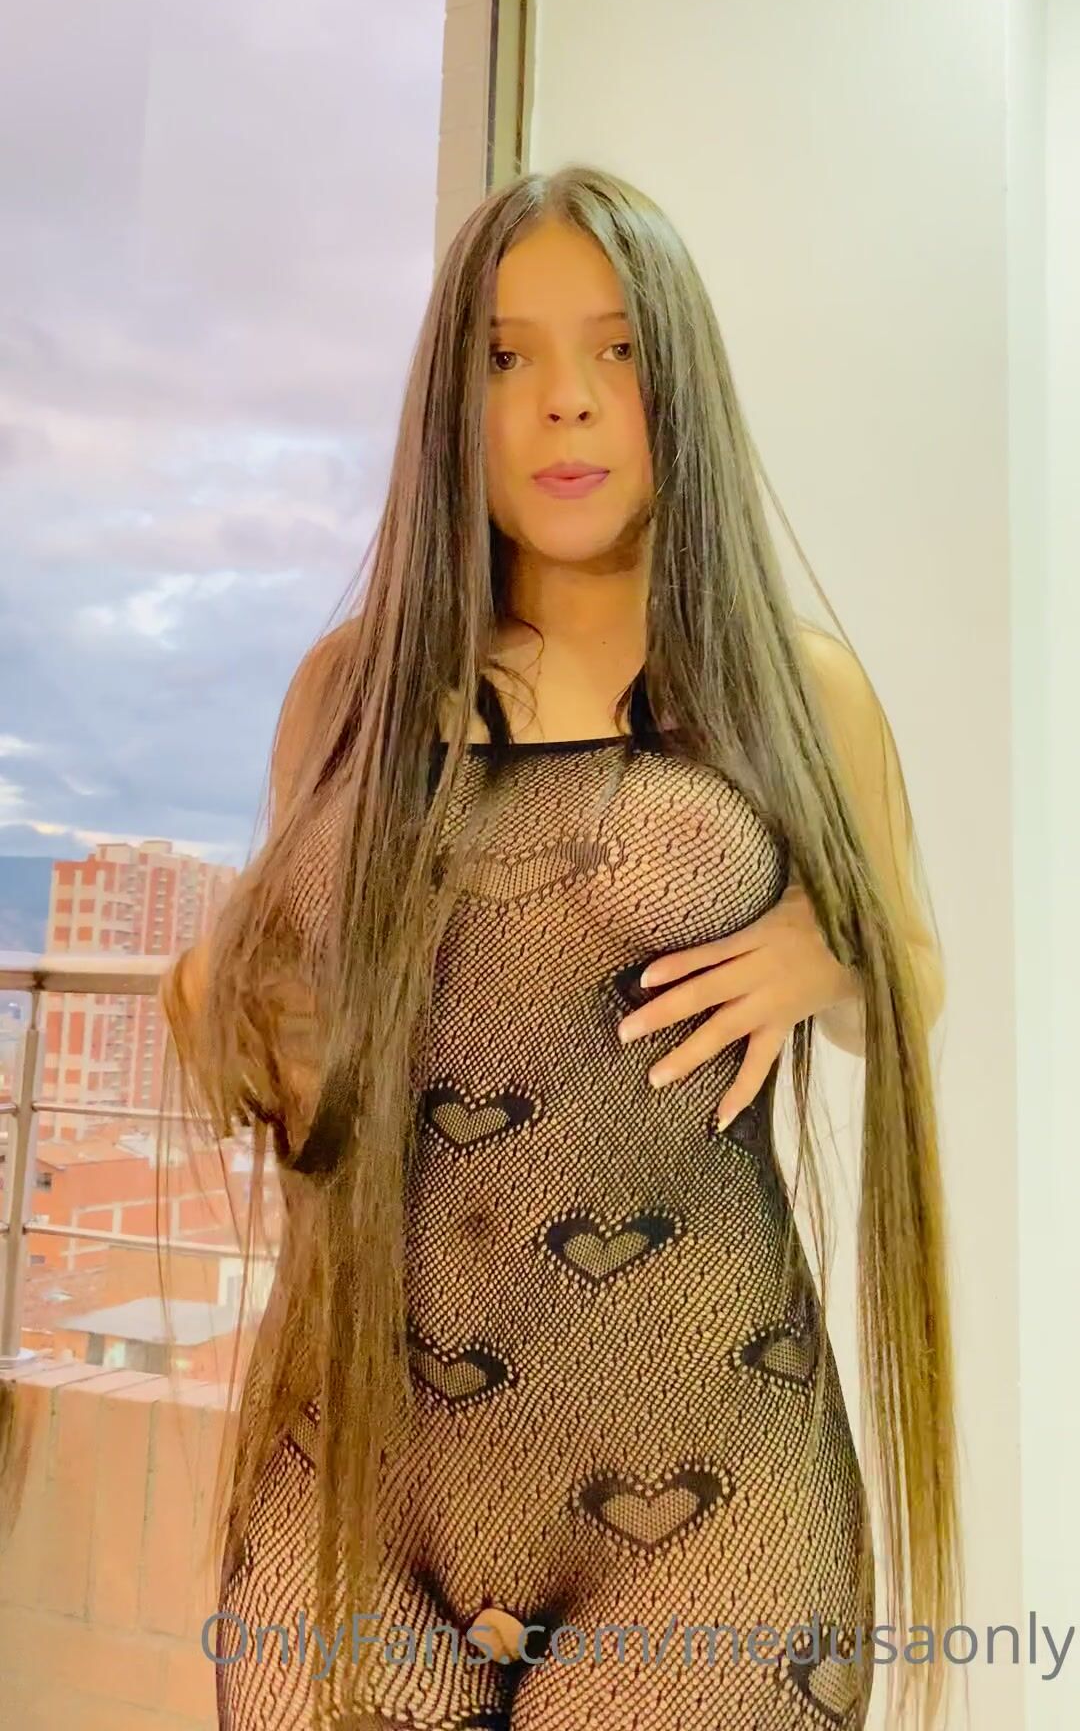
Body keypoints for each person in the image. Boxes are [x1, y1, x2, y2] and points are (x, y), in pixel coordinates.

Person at [162, 165, 960, 1731]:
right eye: (505, 357)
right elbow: (286, 1005)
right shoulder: (349, 691)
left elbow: (909, 981)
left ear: (679, 383)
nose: (564, 404)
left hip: (713, 1468)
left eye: (616, 351)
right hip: (354, 1475)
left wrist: (830, 958)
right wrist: (228, 998)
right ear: (450, 403)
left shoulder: (797, 691)